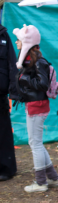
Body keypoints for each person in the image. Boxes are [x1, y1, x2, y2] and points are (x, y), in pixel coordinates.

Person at [13, 24, 58, 193]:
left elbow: (42, 84)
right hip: (34, 105)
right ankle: (53, 178)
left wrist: (25, 79)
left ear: (26, 42)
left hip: (37, 106)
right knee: (36, 143)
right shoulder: (30, 61)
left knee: (35, 144)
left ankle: (41, 182)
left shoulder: (39, 62)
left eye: (19, 40)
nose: (16, 42)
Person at [0, 23, 18, 181]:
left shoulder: (3, 35)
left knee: (3, 129)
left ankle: (6, 168)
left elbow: (12, 63)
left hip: (1, 93)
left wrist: (13, 89)